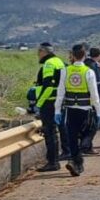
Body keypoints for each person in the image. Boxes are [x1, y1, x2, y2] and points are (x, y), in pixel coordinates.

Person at [55, 44, 100, 176]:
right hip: (85, 109)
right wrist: (99, 111)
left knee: (72, 136)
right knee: (89, 132)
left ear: (72, 55)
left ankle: (76, 161)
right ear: (85, 55)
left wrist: (57, 111)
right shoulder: (89, 72)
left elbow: (60, 92)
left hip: (70, 109)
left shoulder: (65, 70)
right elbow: (94, 94)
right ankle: (77, 159)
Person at [34, 42, 67, 172]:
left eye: (39, 52)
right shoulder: (59, 62)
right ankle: (62, 155)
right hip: (59, 101)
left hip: (49, 103)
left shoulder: (49, 64)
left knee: (49, 132)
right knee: (59, 129)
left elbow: (48, 87)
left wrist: (39, 104)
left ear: (44, 52)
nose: (38, 55)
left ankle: (53, 162)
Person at [81, 46, 100, 156]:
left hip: (84, 100)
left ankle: (87, 146)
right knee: (93, 125)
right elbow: (98, 86)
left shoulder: (86, 65)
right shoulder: (94, 67)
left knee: (87, 125)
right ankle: (86, 147)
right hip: (93, 100)